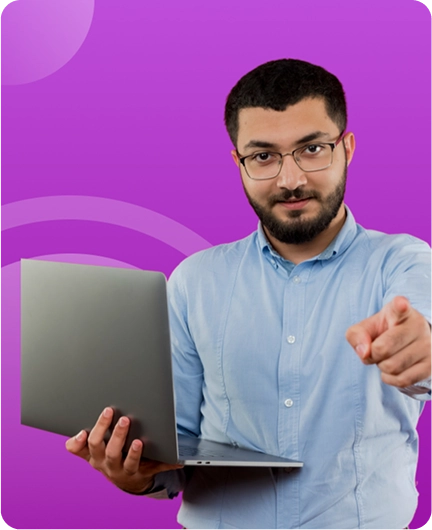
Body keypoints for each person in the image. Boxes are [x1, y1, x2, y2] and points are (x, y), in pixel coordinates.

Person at [66, 59, 432, 530]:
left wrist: (421, 349)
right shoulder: (193, 281)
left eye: (312, 149)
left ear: (347, 148)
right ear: (237, 162)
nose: (290, 180)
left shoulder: (404, 261)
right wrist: (136, 474)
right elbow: (176, 454)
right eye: (263, 156)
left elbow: (423, 329)